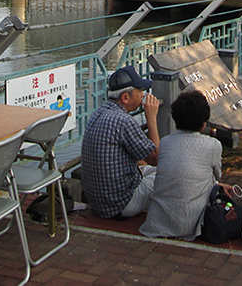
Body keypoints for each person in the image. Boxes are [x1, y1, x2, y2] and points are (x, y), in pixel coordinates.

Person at [139, 91, 228, 240]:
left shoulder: (166, 142)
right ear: (204, 122)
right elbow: (216, 175)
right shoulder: (213, 145)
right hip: (190, 223)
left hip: (157, 221)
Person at [81, 66, 160, 218]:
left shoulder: (98, 112)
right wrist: (152, 118)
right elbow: (156, 158)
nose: (143, 94)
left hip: (99, 201)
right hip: (120, 205)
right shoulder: (123, 121)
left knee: (147, 168)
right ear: (125, 97)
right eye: (139, 90)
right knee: (168, 174)